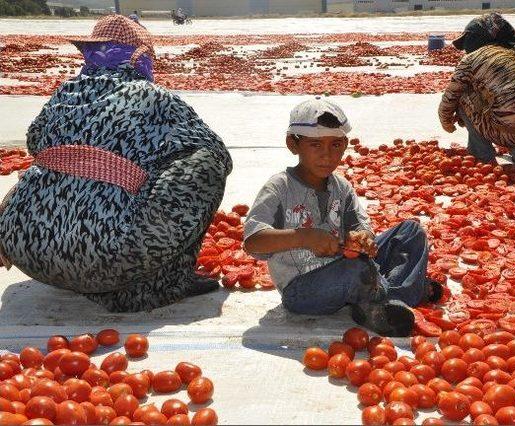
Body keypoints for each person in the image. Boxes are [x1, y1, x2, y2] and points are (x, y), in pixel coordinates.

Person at [0, 15, 232, 312]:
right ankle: (164, 281)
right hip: (103, 261)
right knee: (206, 163)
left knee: (53, 164)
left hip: (28, 250)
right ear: (140, 56)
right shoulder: (152, 97)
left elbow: (37, 141)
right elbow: (214, 151)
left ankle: (70, 262)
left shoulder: (66, 92)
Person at [243, 97, 442, 337]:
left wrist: (364, 237)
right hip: (303, 291)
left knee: (410, 231)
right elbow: (253, 242)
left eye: (335, 145)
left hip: (349, 269)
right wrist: (302, 237)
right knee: (355, 269)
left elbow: (358, 224)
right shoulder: (279, 188)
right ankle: (391, 297)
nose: (327, 155)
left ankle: (384, 300)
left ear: (345, 145)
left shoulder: (341, 187)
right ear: (293, 144)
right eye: (315, 145)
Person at [439, 13, 515, 166]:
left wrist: (447, 124)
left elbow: (449, 98)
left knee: (461, 96)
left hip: (509, 130)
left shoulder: (472, 59)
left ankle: (482, 155)